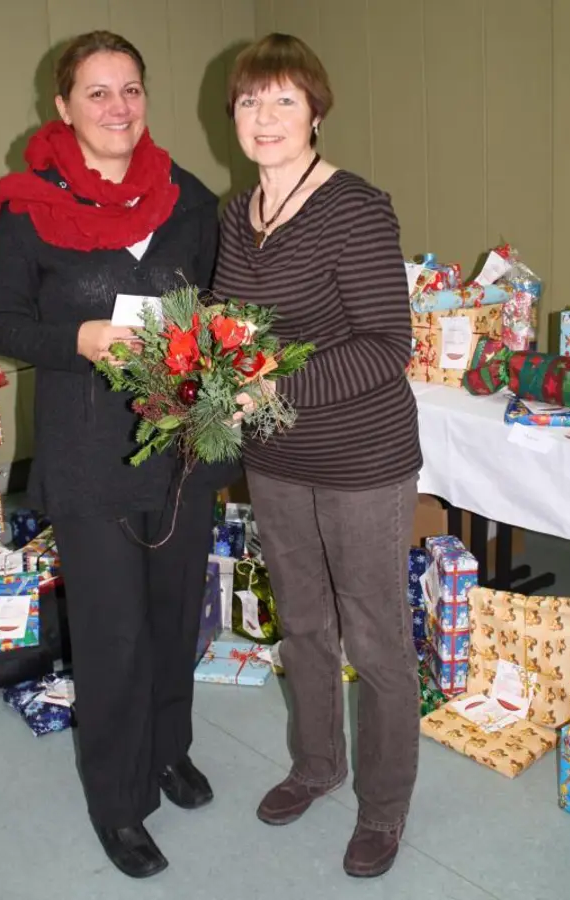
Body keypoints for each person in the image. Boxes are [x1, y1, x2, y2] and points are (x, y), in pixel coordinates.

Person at [0, 30, 234, 880]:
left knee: (175, 615)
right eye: (98, 92)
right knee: (113, 633)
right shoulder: (23, 207)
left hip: (179, 451)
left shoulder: (188, 199)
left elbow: (217, 311)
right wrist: (77, 337)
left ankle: (169, 749)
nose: (118, 107)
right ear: (64, 107)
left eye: (131, 89)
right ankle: (117, 802)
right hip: (89, 456)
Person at [213, 34, 423, 879]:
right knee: (301, 624)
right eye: (250, 102)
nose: (265, 118)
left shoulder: (355, 208)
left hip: (362, 457)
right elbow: (235, 328)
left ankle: (384, 804)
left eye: (284, 100)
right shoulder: (239, 214)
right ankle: (316, 764)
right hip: (275, 460)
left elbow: (386, 344)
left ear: (316, 112)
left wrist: (272, 395)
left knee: (374, 640)